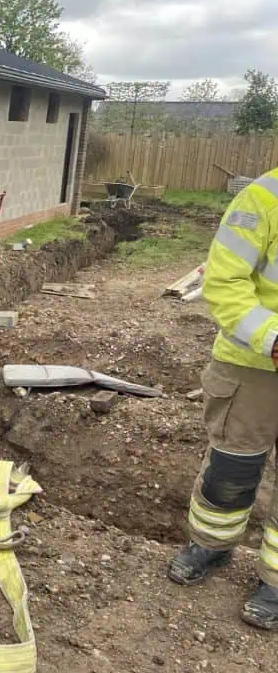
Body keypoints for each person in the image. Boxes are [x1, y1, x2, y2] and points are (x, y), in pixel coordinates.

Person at [166, 170, 278, 630]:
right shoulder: (264, 197)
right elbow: (225, 281)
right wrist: (272, 339)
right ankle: (210, 546)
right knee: (232, 468)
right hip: (252, 363)